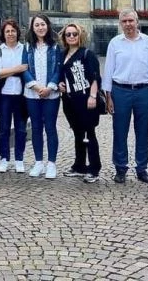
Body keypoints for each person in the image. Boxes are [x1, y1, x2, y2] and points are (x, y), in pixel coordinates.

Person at [102, 7, 148, 184]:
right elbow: (109, 69)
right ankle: (121, 168)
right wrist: (108, 96)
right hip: (121, 91)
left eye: (131, 21)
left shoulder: (147, 41)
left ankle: (142, 168)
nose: (128, 24)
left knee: (142, 131)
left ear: (137, 22)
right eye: (124, 21)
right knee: (120, 131)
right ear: (120, 23)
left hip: (144, 90)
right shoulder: (115, 43)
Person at [58, 23, 102, 183]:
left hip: (85, 98)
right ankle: (79, 165)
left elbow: (95, 76)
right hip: (69, 99)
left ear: (80, 35)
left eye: (74, 34)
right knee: (78, 133)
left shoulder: (86, 54)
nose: (71, 37)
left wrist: (93, 96)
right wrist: (59, 84)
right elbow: (62, 75)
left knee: (89, 133)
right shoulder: (63, 55)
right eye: (68, 34)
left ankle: (94, 168)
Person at [22, 14, 62, 179]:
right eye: (37, 25)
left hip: (51, 94)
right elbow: (24, 69)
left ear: (48, 26)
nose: (40, 27)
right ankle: (39, 162)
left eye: (43, 24)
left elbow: (59, 69)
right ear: (33, 28)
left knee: (50, 127)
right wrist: (37, 87)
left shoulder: (55, 47)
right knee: (36, 128)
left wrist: (50, 87)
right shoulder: (27, 47)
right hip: (32, 93)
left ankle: (51, 164)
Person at [0, 19, 28, 174]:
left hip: (21, 95)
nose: (11, 34)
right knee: (4, 128)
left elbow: (27, 68)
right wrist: (17, 69)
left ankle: (19, 159)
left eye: (13, 30)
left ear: (17, 32)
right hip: (4, 95)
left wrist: (8, 70)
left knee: (21, 129)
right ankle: (4, 158)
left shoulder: (25, 49)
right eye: (7, 31)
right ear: (3, 34)